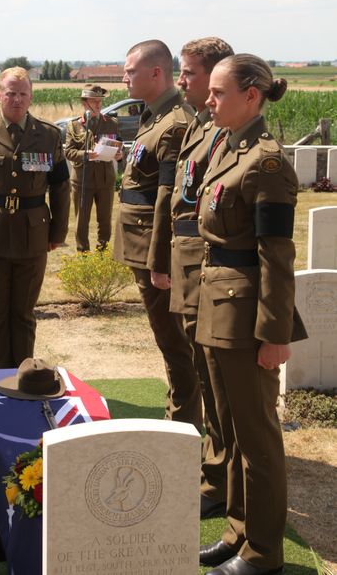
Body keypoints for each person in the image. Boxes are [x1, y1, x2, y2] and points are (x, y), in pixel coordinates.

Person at [196, 54, 298, 575]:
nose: (209, 101)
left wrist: (275, 335)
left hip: (245, 316)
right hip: (217, 305)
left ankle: (263, 553)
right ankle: (239, 532)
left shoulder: (267, 162)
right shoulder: (227, 147)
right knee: (231, 431)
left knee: (257, 438)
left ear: (251, 95)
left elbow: (276, 255)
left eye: (218, 93)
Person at [0, 66, 70, 368]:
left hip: (34, 235)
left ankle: (23, 378)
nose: (16, 99)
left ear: (31, 96)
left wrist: (57, 234)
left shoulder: (48, 135)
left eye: (23, 93)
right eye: (10, 93)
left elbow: (60, 187)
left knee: (23, 314)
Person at [113, 39, 202, 426]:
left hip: (155, 249)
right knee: (168, 341)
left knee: (175, 344)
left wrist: (159, 261)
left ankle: (183, 424)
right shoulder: (153, 116)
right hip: (140, 244)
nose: (124, 77)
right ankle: (180, 418)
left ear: (155, 73)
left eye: (130, 70)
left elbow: (169, 199)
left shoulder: (173, 124)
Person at [171, 36, 234, 518]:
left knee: (215, 382)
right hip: (188, 260)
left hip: (206, 264)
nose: (183, 80)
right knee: (200, 370)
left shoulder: (223, 130)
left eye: (190, 72)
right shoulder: (201, 125)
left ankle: (219, 481)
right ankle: (214, 473)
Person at [64, 85, 122, 252]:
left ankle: (102, 252)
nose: (98, 104)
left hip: (105, 178)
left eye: (100, 101)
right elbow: (68, 151)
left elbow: (119, 146)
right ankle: (83, 253)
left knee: (105, 220)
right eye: (93, 101)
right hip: (83, 179)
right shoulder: (74, 126)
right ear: (84, 103)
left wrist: (119, 155)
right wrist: (85, 154)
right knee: (82, 220)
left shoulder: (111, 123)